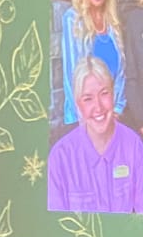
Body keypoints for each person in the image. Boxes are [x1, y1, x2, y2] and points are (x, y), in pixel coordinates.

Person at [47, 56, 143, 213]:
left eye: (104, 93)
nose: (98, 107)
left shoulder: (134, 146)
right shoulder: (59, 158)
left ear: (113, 95)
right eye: (88, 99)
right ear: (78, 105)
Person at [58, 0, 126, 126]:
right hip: (84, 122)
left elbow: (121, 74)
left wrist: (116, 111)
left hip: (112, 120)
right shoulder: (73, 19)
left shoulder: (113, 23)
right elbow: (73, 77)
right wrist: (86, 123)